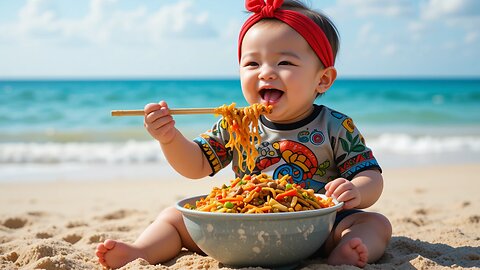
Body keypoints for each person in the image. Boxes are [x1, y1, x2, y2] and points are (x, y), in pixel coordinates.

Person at [96, 0, 392, 268]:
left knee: (375, 223)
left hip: (314, 229)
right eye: (252, 63)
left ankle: (346, 253)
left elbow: (370, 174)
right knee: (175, 218)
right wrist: (170, 138)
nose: (265, 72)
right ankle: (141, 251)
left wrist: (357, 190)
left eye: (284, 62)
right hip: (240, 226)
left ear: (323, 79)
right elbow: (196, 164)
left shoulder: (335, 126)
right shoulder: (236, 125)